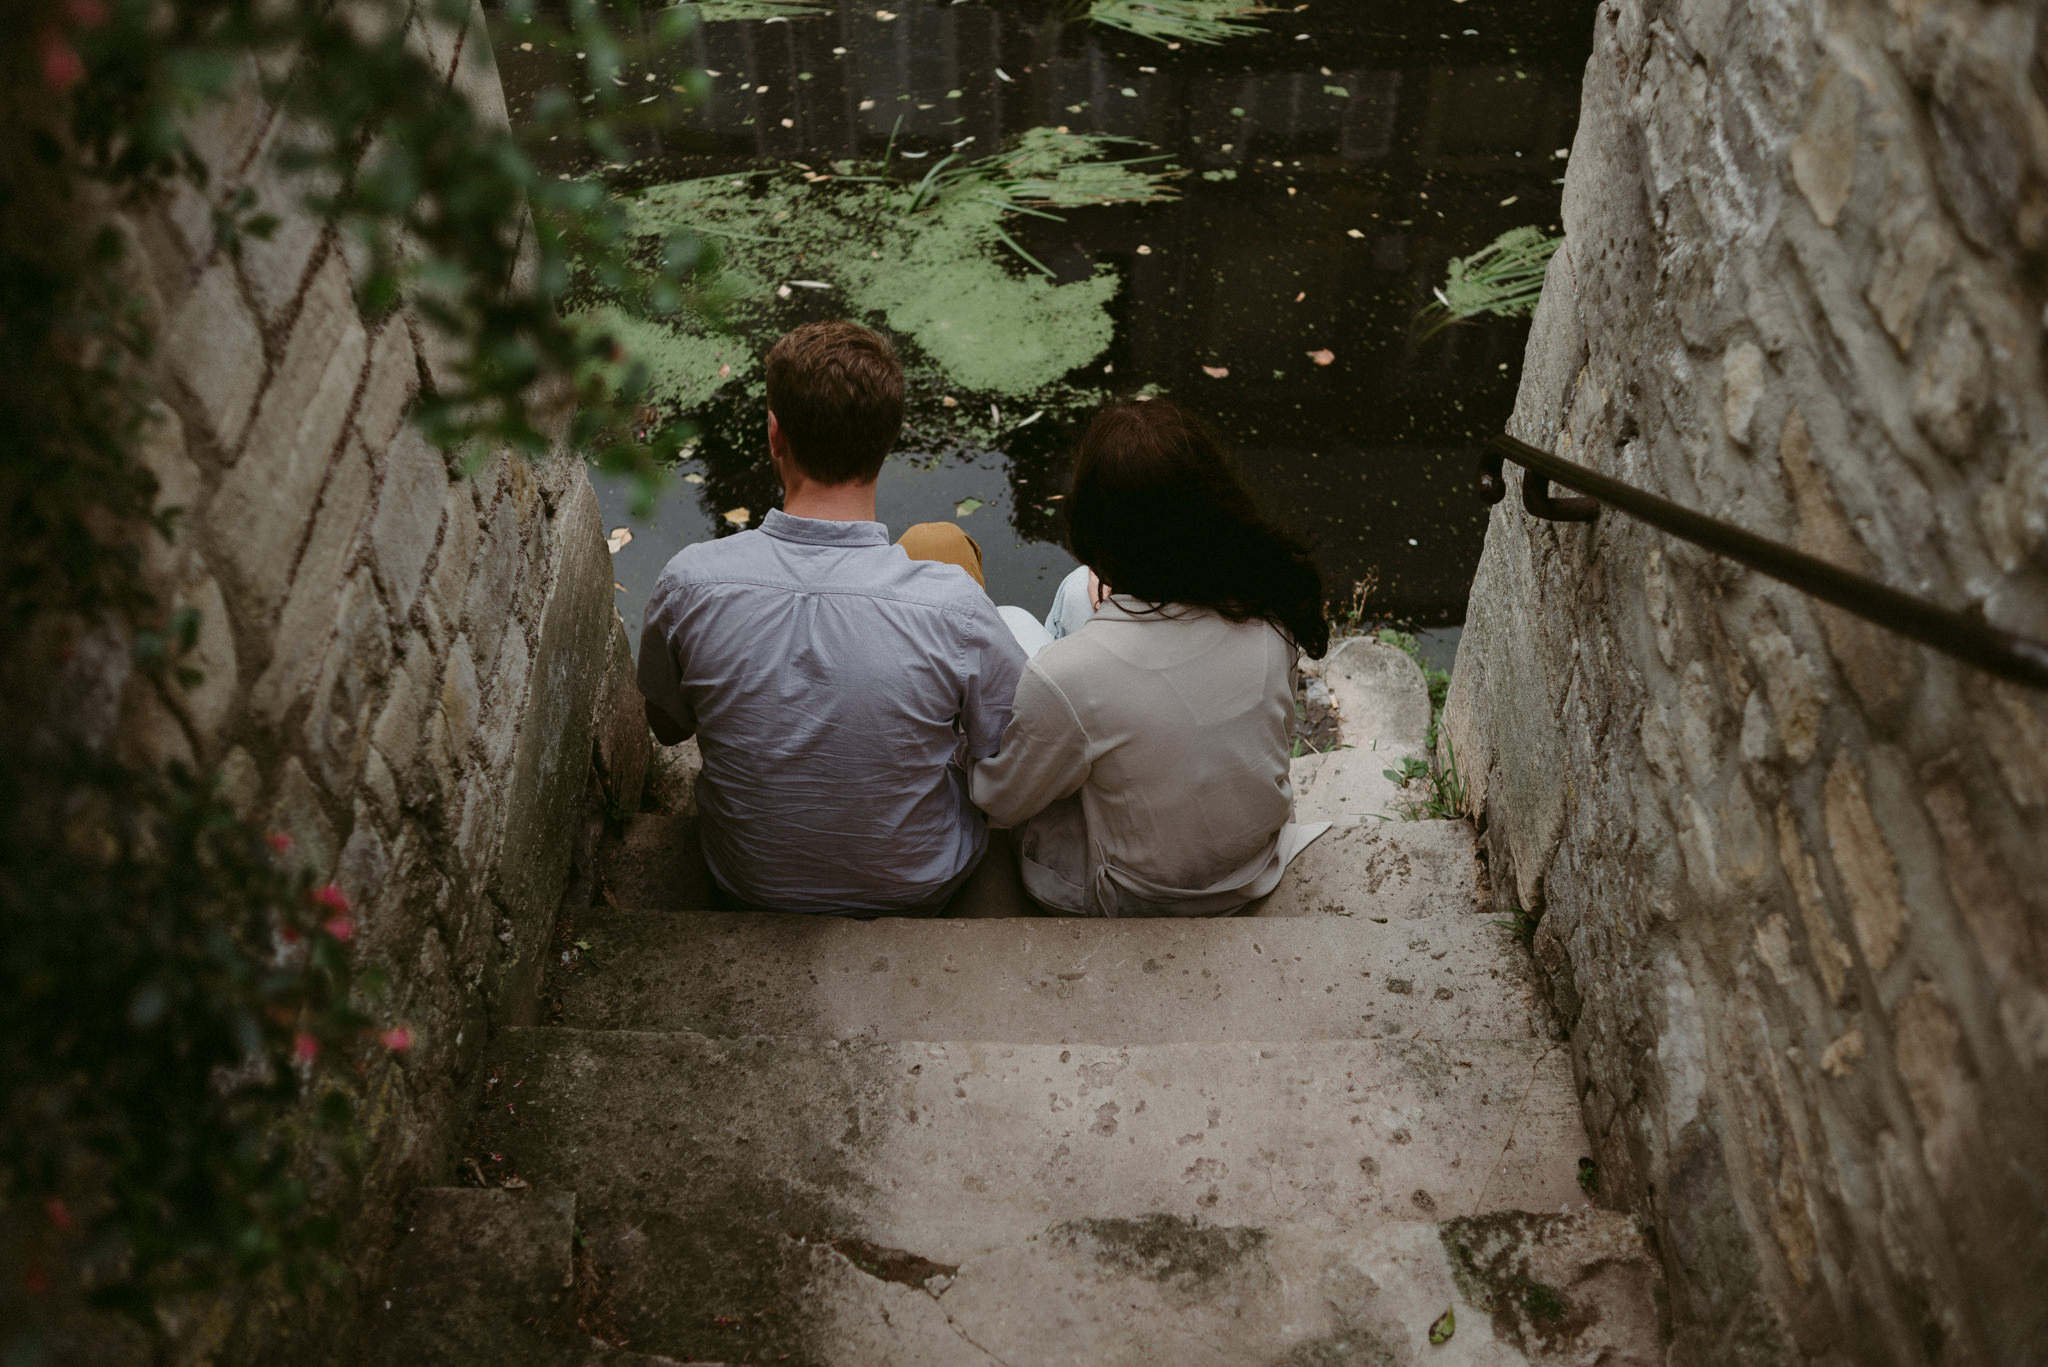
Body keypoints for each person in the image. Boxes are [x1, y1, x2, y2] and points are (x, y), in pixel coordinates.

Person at [637, 321, 1027, 914]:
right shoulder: (954, 609)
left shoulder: (690, 583)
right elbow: (1007, 750)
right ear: (889, 440)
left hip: (748, 880)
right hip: (917, 882)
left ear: (775, 435)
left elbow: (667, 728)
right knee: (942, 549)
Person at [970, 398, 1331, 917]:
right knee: (1078, 591)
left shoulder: (1070, 676)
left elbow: (1000, 805)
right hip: (1251, 864)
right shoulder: (1269, 611)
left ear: (1097, 524)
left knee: (1008, 620)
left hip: (1134, 892)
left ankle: (1066, 730)